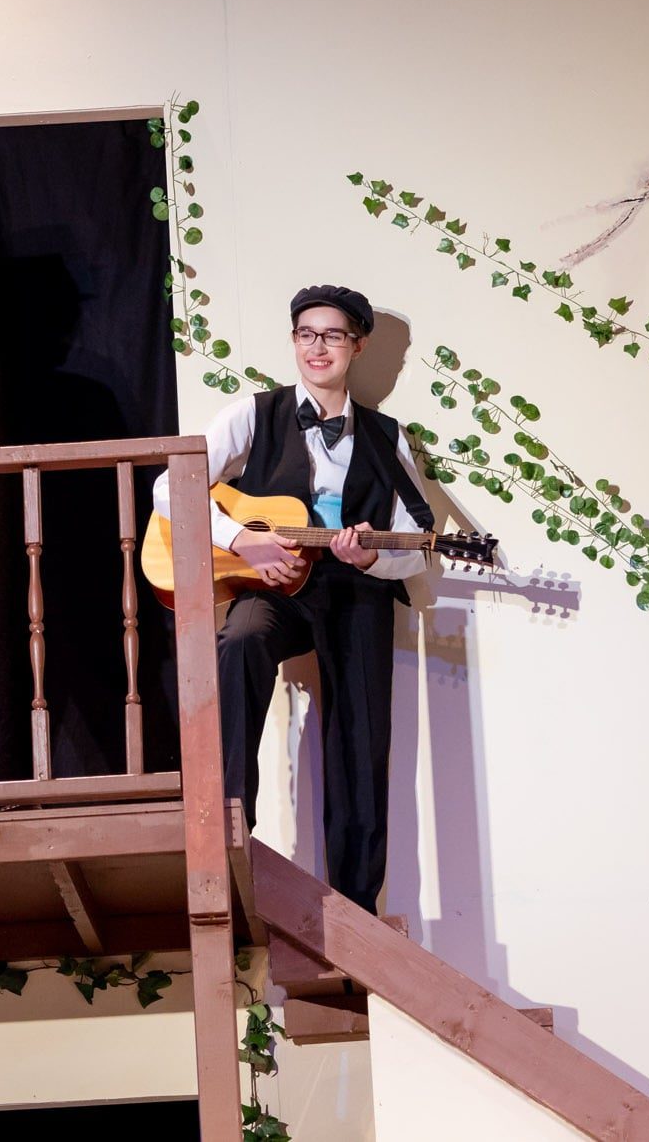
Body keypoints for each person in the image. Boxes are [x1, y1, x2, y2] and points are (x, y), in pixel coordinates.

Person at [153, 285, 433, 913]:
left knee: (362, 724)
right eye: (306, 333)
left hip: (354, 591)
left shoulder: (388, 438)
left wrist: (372, 556)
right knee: (241, 640)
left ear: (356, 347)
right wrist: (241, 543)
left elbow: (417, 544)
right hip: (275, 583)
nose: (317, 347)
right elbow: (170, 490)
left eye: (332, 335)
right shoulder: (255, 413)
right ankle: (226, 825)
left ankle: (356, 901)